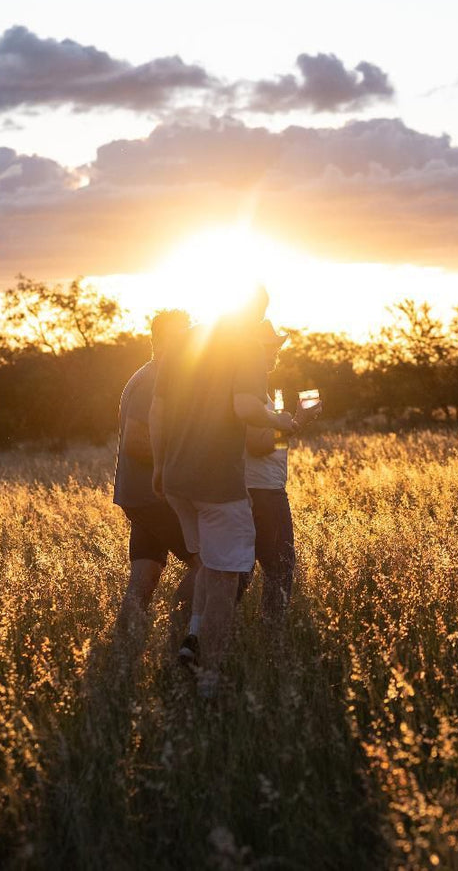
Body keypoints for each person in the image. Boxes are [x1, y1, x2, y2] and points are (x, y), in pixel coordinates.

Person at [149, 292, 301, 692]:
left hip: (177, 479)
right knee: (227, 580)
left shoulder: (184, 342)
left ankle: (190, 640)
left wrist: (161, 466)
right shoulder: (244, 346)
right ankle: (209, 678)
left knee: (207, 565)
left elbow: (158, 410)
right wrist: (283, 419)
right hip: (219, 481)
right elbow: (246, 408)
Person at [112, 309, 197, 637]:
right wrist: (182, 463)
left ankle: (122, 650)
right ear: (160, 339)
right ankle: (180, 633)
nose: (188, 339)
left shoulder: (158, 375)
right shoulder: (153, 379)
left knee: (144, 576)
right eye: (181, 333)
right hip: (152, 496)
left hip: (142, 495)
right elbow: (135, 441)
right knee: (208, 563)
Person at [238, 321, 317, 618]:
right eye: (269, 348)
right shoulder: (252, 396)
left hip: (263, 487)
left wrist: (293, 424)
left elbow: (273, 446)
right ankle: (274, 638)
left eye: (277, 348)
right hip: (263, 492)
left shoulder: (259, 393)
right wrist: (298, 421)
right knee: (281, 566)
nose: (275, 355)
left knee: (246, 569)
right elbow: (257, 444)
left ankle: (212, 631)